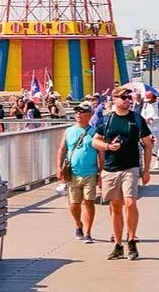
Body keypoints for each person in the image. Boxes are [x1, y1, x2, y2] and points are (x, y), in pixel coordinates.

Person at [92, 87, 153, 261]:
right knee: (115, 207)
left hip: (130, 167)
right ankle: (118, 244)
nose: (128, 100)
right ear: (115, 99)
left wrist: (146, 170)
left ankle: (132, 239)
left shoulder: (136, 119)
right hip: (111, 168)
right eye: (124, 98)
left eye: (129, 97)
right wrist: (108, 147)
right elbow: (95, 141)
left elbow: (148, 144)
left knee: (130, 202)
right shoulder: (107, 119)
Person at [58, 101, 101, 243]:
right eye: (77, 111)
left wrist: (101, 172)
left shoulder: (95, 132)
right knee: (74, 204)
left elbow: (101, 153)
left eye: (82, 111)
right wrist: (59, 168)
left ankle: (88, 232)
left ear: (90, 114)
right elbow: (62, 149)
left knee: (89, 202)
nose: (78, 114)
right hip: (73, 173)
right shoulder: (69, 131)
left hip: (91, 172)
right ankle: (78, 224)